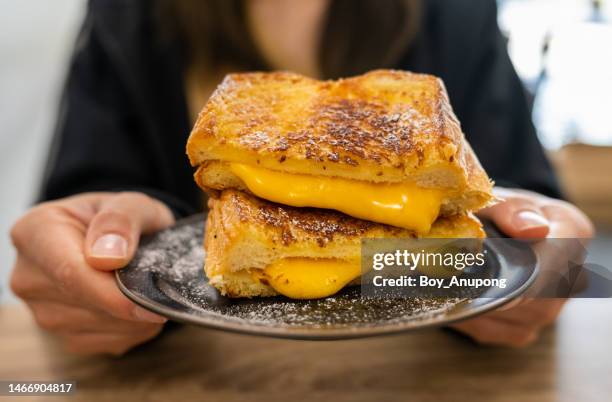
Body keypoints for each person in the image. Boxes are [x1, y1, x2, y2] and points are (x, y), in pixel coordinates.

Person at [9, 0, 593, 355]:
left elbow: (524, 206)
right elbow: (83, 201)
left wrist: (539, 259)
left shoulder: (458, 12)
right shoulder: (126, 15)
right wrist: (86, 259)